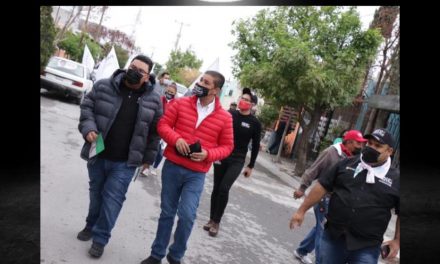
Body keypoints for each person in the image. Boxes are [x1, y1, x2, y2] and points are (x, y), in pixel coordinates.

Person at [141, 71, 234, 264]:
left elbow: (227, 147)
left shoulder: (225, 118)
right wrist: (176, 139)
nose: (200, 83)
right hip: (173, 167)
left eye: (206, 82)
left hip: (196, 174)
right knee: (167, 212)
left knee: (187, 215)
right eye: (201, 80)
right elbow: (163, 125)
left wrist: (208, 154)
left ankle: (176, 255)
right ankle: (156, 254)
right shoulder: (181, 103)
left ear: (215, 90)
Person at [77, 55, 163, 258]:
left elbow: (155, 131)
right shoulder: (104, 86)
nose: (134, 71)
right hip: (98, 153)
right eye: (132, 67)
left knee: (113, 200)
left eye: (140, 70)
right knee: (96, 193)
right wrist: (88, 128)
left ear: (147, 76)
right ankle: (91, 224)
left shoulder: (154, 99)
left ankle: (100, 239)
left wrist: (148, 159)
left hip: (125, 162)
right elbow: (86, 106)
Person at [290, 128, 400, 264]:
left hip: (366, 246)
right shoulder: (347, 164)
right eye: (370, 143)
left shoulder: (396, 180)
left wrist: (397, 241)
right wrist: (301, 211)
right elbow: (322, 186)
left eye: (378, 146)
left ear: (389, 151)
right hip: (334, 237)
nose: (371, 148)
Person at [291, 130, 367, 264]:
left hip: (335, 201)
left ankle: (301, 251)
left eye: (362, 144)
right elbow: (313, 170)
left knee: (321, 227)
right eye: (358, 143)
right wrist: (302, 188)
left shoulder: (355, 159)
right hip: (323, 199)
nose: (361, 147)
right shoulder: (331, 153)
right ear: (348, 142)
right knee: (324, 233)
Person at [203, 88, 262, 237]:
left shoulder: (255, 123)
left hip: (238, 159)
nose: (243, 101)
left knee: (224, 188)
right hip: (222, 155)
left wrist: (251, 165)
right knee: (216, 187)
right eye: (243, 98)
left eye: (247, 100)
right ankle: (211, 219)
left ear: (252, 104)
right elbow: (218, 133)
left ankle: (217, 222)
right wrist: (213, 152)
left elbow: (255, 146)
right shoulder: (229, 114)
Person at [143, 82, 178, 177]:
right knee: (152, 148)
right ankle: (146, 167)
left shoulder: (176, 104)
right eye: (168, 91)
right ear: (165, 91)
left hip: (167, 130)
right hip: (156, 128)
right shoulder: (160, 99)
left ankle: (154, 167)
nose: (169, 93)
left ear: (175, 94)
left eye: (172, 92)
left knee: (160, 152)